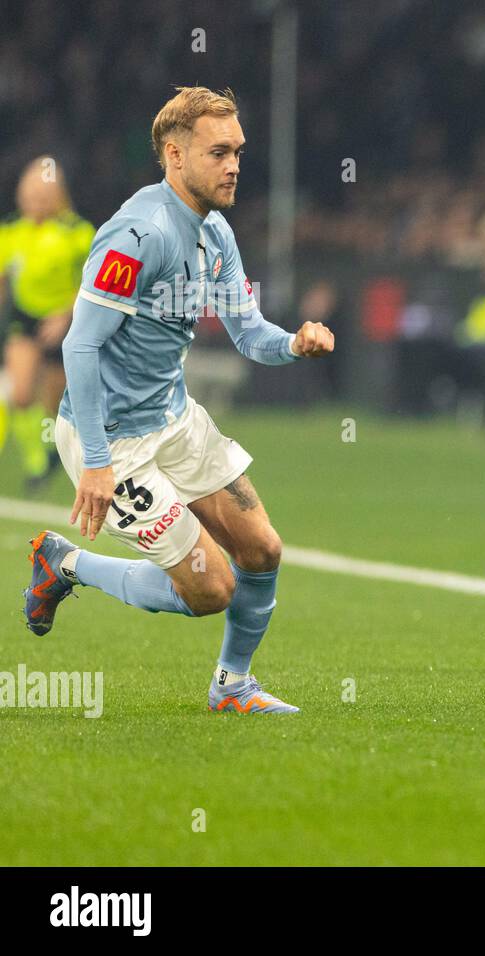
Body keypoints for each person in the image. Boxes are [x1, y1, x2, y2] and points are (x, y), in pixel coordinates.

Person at [23, 87, 335, 714]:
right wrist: (98, 461)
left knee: (262, 550)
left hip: (174, 419)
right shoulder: (137, 234)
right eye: (219, 152)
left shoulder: (215, 234)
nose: (234, 165)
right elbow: (79, 348)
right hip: (109, 438)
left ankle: (233, 687)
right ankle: (65, 563)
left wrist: (295, 344)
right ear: (174, 155)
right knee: (212, 587)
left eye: (238, 152)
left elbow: (249, 333)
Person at [0, 157, 94, 491]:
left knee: (56, 405)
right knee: (21, 394)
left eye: (41, 198)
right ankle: (37, 462)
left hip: (66, 322)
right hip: (24, 319)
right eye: (28, 198)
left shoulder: (77, 233)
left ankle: (59, 453)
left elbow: (94, 282)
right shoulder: (11, 231)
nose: (33, 205)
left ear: (57, 197)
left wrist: (65, 314)